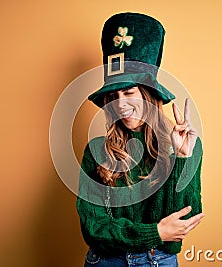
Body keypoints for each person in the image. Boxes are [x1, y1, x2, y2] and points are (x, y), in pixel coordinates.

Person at [77, 12, 204, 267]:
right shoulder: (96, 151)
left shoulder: (186, 145)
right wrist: (154, 232)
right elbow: (93, 228)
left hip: (159, 262)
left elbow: (181, 226)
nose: (121, 104)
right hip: (106, 262)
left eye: (129, 92)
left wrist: (181, 158)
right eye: (113, 95)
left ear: (147, 93)